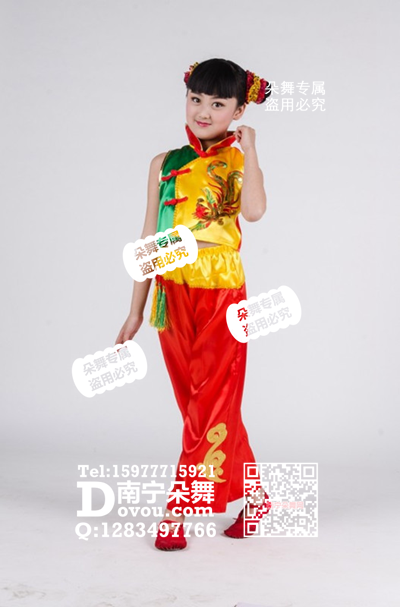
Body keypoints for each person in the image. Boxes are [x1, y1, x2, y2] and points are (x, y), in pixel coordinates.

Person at [116, 58, 271, 551]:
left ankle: (177, 511)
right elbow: (149, 237)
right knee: (199, 406)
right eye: (196, 99)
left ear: (239, 110)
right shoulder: (164, 163)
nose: (203, 111)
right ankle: (256, 497)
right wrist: (136, 309)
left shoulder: (239, 161)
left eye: (218, 103)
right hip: (171, 293)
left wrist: (251, 151)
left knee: (210, 404)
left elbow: (255, 212)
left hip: (222, 292)